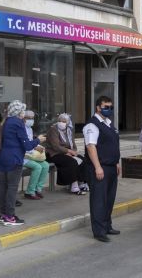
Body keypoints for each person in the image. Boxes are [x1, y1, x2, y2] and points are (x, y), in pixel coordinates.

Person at [0, 100, 41, 226]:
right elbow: (27, 145)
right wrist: (38, 140)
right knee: (12, 188)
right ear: (18, 112)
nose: (24, 113)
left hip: (2, 158)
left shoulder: (6, 121)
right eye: (22, 110)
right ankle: (10, 216)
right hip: (14, 159)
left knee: (3, 186)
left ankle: (3, 214)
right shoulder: (18, 123)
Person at [83, 96, 121, 242]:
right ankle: (99, 231)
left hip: (111, 166)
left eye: (110, 107)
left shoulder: (109, 124)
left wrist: (116, 163)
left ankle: (107, 225)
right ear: (98, 107)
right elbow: (91, 147)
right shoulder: (92, 125)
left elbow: (112, 145)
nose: (108, 109)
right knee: (99, 200)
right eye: (106, 107)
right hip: (100, 167)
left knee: (109, 199)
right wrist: (98, 167)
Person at [44, 113, 88, 195]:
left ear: (67, 122)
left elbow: (73, 145)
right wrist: (68, 152)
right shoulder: (53, 129)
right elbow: (55, 146)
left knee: (83, 160)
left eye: (64, 121)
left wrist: (73, 152)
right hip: (54, 154)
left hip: (66, 152)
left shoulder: (69, 130)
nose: (62, 123)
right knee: (71, 162)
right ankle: (73, 186)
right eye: (60, 121)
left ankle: (82, 183)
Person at [23, 110, 50, 200]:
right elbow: (25, 144)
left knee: (45, 165)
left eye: (32, 118)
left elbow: (32, 141)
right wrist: (35, 147)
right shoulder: (21, 128)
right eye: (29, 118)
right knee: (37, 167)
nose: (31, 120)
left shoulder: (30, 129)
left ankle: (37, 189)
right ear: (24, 118)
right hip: (24, 156)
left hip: (32, 155)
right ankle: (29, 192)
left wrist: (39, 146)